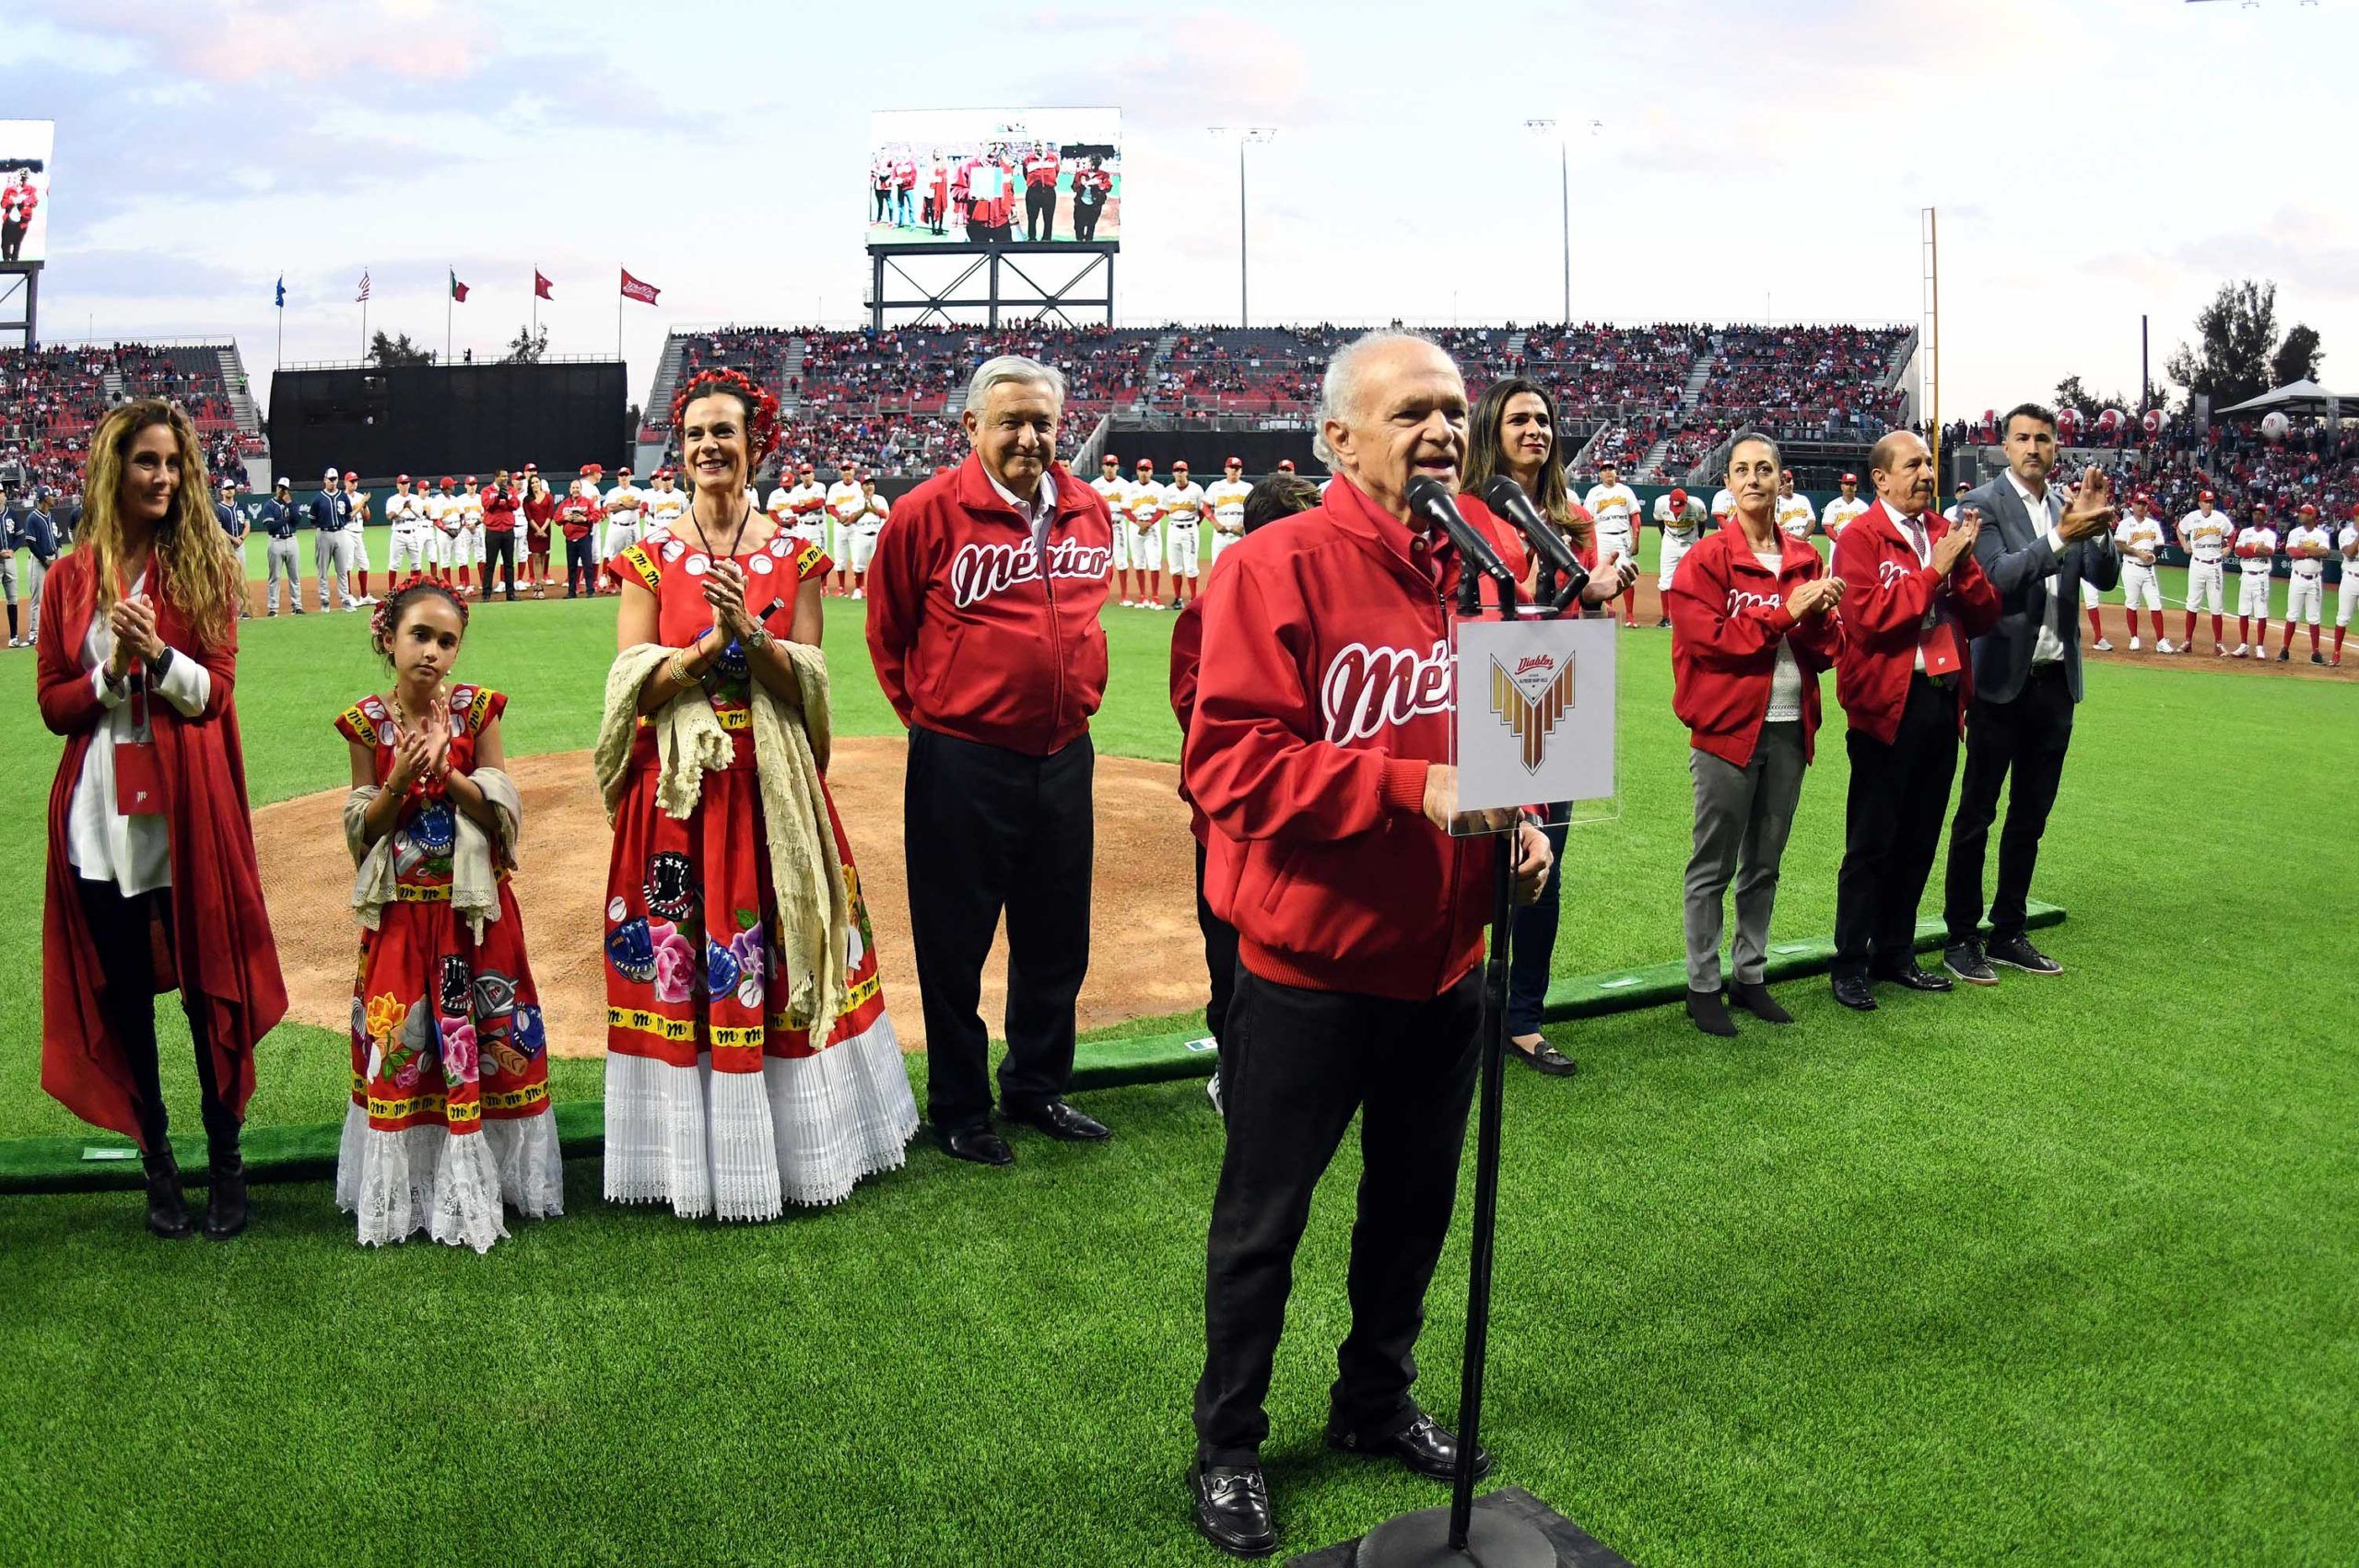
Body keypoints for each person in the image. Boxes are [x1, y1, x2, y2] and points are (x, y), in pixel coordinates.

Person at [1181, 333, 1554, 1558]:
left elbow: (1518, 735)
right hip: (1310, 966)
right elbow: (1228, 760)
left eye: (1453, 409)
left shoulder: (1494, 560)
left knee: (1413, 1205)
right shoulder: (1271, 565)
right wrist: (1413, 787)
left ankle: (1373, 1398)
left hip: (1445, 960)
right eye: (1413, 413)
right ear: (1339, 438)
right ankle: (1229, 1442)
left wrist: (1525, 819)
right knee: (1264, 1221)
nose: (1444, 429)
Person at [598, 366, 918, 1218]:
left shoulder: (797, 556)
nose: (709, 447)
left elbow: (810, 686)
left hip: (772, 792)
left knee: (781, 955)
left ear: (755, 444)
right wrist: (710, 646)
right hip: (680, 799)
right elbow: (634, 685)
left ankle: (799, 1152)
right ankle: (688, 1160)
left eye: (725, 433)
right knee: (685, 957)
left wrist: (752, 635)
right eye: (696, 433)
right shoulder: (646, 558)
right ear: (681, 450)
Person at [36, 398, 287, 1240]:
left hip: (186, 811)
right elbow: (52, 705)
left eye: (175, 464)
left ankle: (226, 1163)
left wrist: (159, 657)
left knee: (205, 982)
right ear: (116, 468)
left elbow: (218, 690)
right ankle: (159, 1169)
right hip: (98, 816)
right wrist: (110, 672)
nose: (164, 478)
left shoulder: (204, 564)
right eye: (148, 461)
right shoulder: (70, 578)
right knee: (127, 1000)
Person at [865, 355, 1116, 1166]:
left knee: (1055, 938)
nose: (1029, 437)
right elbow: (888, 630)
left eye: (1042, 422)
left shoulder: (1089, 511)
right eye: (1010, 421)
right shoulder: (925, 513)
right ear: (971, 426)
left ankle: (1038, 1086)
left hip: (1063, 754)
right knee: (954, 940)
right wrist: (935, 717)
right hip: (963, 759)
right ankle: (961, 1107)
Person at [336, 579, 560, 1249]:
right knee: (404, 1047)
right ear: (388, 639)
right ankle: (412, 1192)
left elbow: (501, 818)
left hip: (474, 919)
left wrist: (451, 775)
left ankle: (489, 1182)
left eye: (446, 640)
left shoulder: (477, 714)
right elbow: (363, 832)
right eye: (419, 636)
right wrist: (403, 778)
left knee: (484, 1042)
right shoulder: (365, 724)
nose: (431, 651)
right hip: (402, 918)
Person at [1462, 374, 1634, 1076]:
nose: (1535, 430)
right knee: (1473, 864)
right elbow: (1478, 606)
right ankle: (1459, 1009)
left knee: (1543, 866)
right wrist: (1572, 588)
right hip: (1488, 693)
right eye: (1518, 420)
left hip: (1560, 697)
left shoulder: (1571, 515)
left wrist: (1596, 598)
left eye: (1543, 419)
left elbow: (1581, 616)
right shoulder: (1467, 510)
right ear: (1491, 432)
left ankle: (1523, 1016)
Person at [1667, 433, 1846, 1036]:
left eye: (1763, 469)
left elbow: (1826, 653)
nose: (1752, 479)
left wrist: (1821, 620)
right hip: (1725, 732)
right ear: (1728, 483)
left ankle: (1750, 975)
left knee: (1764, 864)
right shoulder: (1706, 558)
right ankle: (1702, 985)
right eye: (1741, 469)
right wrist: (1785, 612)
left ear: (1780, 480)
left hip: (1791, 727)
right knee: (1712, 867)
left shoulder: (1804, 556)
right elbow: (1708, 643)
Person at [1938, 404, 2119, 985]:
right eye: (2022, 438)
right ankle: (1962, 936)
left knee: (2031, 814)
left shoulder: (2067, 505)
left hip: (2054, 681)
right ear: (2004, 445)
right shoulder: (1981, 506)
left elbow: (2104, 576)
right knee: (1977, 814)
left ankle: (2010, 928)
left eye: (2043, 438)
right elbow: (1994, 577)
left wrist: (2098, 525)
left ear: (2057, 445)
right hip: (1998, 683)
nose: (2033, 447)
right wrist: (2063, 534)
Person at [1827, 430, 1999, 1012]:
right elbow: (1870, 618)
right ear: (1881, 479)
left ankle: (1895, 952)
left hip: (1940, 700)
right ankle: (1850, 962)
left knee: (1921, 836)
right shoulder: (1858, 538)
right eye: (1914, 465)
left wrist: (1963, 564)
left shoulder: (1941, 534)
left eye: (1930, 464)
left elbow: (1982, 614)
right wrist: (1933, 574)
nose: (1927, 473)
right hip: (1883, 707)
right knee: (1872, 841)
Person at [1169, 473, 1322, 1117]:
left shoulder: (1323, 591)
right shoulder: (1222, 598)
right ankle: (1234, 1075)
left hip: (1308, 809)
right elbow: (1194, 706)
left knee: (1307, 950)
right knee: (1231, 953)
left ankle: (1306, 1072)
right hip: (1234, 819)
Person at [1582, 460, 1642, 626]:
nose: (1608, 472)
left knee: (1627, 574)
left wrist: (1636, 540)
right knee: (1602, 575)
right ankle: (1608, 612)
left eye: (1611, 469)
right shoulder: (1594, 493)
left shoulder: (1625, 491)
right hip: (1601, 536)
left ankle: (1630, 616)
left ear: (1616, 472)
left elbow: (1635, 516)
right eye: (1604, 469)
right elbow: (1587, 520)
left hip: (1623, 536)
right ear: (1600, 474)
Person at [2114, 493, 2173, 652]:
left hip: (2148, 569)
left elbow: (2160, 544)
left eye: (2144, 504)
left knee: (2155, 604)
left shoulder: (2153, 524)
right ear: (2132, 505)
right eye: (2138, 503)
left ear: (2148, 506)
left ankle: (2161, 640)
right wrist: (2137, 552)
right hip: (2131, 567)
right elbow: (2119, 544)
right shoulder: (2126, 524)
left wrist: (2153, 555)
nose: (2141, 506)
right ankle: (2134, 637)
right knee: (2132, 603)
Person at [2177, 488, 2233, 654]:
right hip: (2197, 564)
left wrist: (2229, 546)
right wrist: (2184, 544)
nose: (2209, 504)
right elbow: (2180, 530)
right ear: (2200, 503)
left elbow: (2231, 533)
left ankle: (2218, 643)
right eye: (2206, 502)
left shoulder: (2220, 519)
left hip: (2214, 565)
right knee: (2192, 603)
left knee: (2216, 606)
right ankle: (2187, 641)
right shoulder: (2192, 518)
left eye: (2211, 502)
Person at [2279, 504, 2330, 663]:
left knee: (2314, 617)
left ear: (2311, 516)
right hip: (2298, 578)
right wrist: (2312, 552)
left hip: (2314, 579)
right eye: (2300, 512)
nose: (2300, 515)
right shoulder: (2295, 532)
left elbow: (2325, 552)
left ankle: (2316, 653)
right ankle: (2284, 650)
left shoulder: (2321, 535)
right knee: (2292, 614)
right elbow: (2292, 552)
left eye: (2303, 513)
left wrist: (2304, 551)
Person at [1652, 484, 1707, 626]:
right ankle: (1666, 618)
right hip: (1670, 540)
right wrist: (1665, 538)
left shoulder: (1697, 505)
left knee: (1695, 579)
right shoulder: (1660, 503)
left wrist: (1697, 541)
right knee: (1665, 580)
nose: (1677, 511)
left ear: (1686, 501)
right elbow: (1659, 522)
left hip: (1690, 540)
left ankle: (1694, 616)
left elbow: (1702, 524)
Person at [11, 485, 59, 648]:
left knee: (53, 598)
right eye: (51, 496)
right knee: (37, 598)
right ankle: (34, 633)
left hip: (53, 559)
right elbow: (31, 542)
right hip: (39, 562)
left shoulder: (50, 516)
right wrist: (45, 559)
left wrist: (57, 558)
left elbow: (57, 537)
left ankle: (51, 632)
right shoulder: (33, 517)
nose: (54, 498)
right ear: (45, 498)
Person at [2231, 501, 2278, 659]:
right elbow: (2238, 550)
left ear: (2265, 516)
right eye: (2255, 513)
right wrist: (2257, 550)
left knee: (2261, 612)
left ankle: (2259, 646)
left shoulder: (2270, 534)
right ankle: (2243, 644)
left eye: (2260, 513)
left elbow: (2269, 552)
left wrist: (2251, 548)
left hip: (2261, 577)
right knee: (2243, 611)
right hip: (2246, 575)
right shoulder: (2245, 532)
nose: (2257, 516)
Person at [1091, 452, 1137, 604]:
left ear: (1117, 467)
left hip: (1118, 525)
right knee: (1100, 561)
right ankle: (1099, 596)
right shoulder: (1095, 485)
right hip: (1100, 527)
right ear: (1103, 467)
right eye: (1107, 465)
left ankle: (1124, 596)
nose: (1110, 468)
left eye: (1113, 465)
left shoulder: (1125, 485)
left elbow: (1128, 508)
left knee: (1122, 560)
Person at [1163, 458, 1207, 607]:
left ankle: (1193, 599)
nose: (1179, 473)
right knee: (1174, 566)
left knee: (1191, 567)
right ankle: (1177, 598)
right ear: (1173, 473)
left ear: (1187, 472)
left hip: (1190, 529)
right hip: (1173, 528)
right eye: (1177, 471)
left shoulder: (1196, 489)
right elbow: (1166, 511)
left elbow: (1202, 511)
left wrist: (1195, 524)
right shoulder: (1168, 490)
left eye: (1182, 471)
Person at [1125, 456, 1168, 609]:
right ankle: (1142, 597)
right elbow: (1125, 508)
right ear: (1137, 471)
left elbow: (1162, 509)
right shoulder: (1130, 487)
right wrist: (1138, 523)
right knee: (1138, 562)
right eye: (1141, 470)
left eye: (1147, 470)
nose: (1144, 473)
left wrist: (1149, 523)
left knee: (1154, 562)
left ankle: (1155, 597)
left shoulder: (1158, 488)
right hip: (1135, 525)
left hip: (1152, 526)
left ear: (1151, 471)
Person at [311, 466, 356, 612]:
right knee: (323, 569)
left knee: (342, 569)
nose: (333, 482)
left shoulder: (343, 497)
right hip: (324, 533)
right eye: (330, 479)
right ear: (325, 480)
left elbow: (348, 515)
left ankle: (345, 599)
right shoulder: (318, 498)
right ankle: (324, 600)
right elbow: (313, 520)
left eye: (335, 479)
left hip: (341, 532)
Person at [261, 477, 305, 614]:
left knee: (295, 576)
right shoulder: (269, 505)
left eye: (284, 488)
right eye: (280, 487)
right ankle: (273, 608)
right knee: (274, 576)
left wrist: (290, 504)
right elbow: (270, 527)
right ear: (277, 488)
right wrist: (286, 520)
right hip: (276, 542)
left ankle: (297, 606)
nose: (281, 490)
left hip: (292, 541)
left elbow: (297, 520)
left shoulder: (292, 504)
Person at [601, 466, 644, 593]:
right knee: (612, 555)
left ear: (630, 477)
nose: (624, 477)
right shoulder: (612, 492)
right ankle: (612, 583)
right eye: (622, 475)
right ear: (618, 477)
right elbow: (610, 508)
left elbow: (636, 504)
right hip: (616, 526)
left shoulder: (637, 490)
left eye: (626, 475)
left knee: (634, 555)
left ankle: (633, 583)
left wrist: (620, 505)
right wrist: (628, 505)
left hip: (633, 527)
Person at [825, 460, 865, 594]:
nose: (847, 472)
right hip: (840, 525)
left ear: (853, 471)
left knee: (858, 556)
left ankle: (859, 587)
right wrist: (839, 517)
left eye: (849, 469)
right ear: (841, 472)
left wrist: (852, 517)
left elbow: (863, 506)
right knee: (840, 557)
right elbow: (830, 506)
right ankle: (841, 588)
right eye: (844, 469)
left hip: (855, 525)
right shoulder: (835, 487)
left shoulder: (859, 486)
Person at [1205, 456, 1252, 566]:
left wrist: (1243, 525)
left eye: (1237, 468)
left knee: (1240, 567)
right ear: (1226, 469)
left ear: (1241, 471)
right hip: (1220, 534)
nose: (1234, 470)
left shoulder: (1248, 487)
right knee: (1217, 567)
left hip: (1240, 534)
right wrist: (1215, 523)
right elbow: (1205, 506)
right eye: (1231, 467)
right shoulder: (1216, 486)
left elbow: (1253, 509)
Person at [557, 478, 601, 598]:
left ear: (581, 490)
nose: (575, 490)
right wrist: (565, 518)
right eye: (573, 488)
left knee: (587, 564)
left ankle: (590, 590)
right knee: (572, 566)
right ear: (570, 490)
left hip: (584, 537)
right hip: (570, 539)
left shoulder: (587, 502)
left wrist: (585, 519)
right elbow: (556, 518)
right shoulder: (565, 503)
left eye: (577, 488)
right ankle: (572, 591)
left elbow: (597, 515)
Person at [482, 469, 522, 601]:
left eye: (506, 476)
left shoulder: (511, 490)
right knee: (490, 564)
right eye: (503, 476)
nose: (505, 478)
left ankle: (510, 593)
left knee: (509, 563)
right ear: (496, 477)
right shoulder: (486, 491)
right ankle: (486, 593)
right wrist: (497, 499)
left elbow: (516, 505)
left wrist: (507, 500)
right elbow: (487, 506)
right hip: (493, 531)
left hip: (508, 530)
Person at [849, 471, 888, 597]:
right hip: (861, 533)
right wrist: (864, 510)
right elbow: (852, 518)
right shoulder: (855, 500)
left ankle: (878, 589)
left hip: (876, 533)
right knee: (859, 563)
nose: (870, 486)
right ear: (861, 487)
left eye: (871, 483)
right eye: (866, 484)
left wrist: (872, 508)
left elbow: (885, 514)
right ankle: (859, 588)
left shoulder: (880, 499)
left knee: (879, 563)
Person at [522, 469, 556, 597]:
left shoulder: (548, 497)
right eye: (532, 483)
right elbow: (529, 517)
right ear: (530, 486)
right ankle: (538, 586)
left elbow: (550, 514)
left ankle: (540, 583)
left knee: (543, 556)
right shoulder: (527, 499)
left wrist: (543, 529)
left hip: (546, 531)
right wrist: (538, 530)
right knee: (535, 557)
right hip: (533, 532)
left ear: (540, 483)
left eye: (537, 482)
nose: (535, 485)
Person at [343, 470, 376, 603]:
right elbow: (348, 517)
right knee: (348, 565)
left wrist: (365, 505)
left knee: (364, 564)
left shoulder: (359, 497)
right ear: (346, 482)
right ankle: (348, 595)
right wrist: (361, 504)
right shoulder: (342, 498)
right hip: (347, 532)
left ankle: (364, 596)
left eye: (355, 481)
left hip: (358, 533)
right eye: (351, 481)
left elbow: (367, 517)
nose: (354, 483)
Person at [1023, 140, 1060, 241]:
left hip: (1049, 192)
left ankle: (1047, 239)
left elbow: (1056, 171)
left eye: (1040, 145)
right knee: (1032, 218)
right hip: (1033, 192)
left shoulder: (1053, 158)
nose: (1038, 148)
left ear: (1045, 147)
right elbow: (1025, 174)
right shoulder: (1028, 159)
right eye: (1036, 145)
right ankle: (1032, 238)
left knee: (1048, 218)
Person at [2336, 506, 2359, 667]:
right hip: (2350, 579)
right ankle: (2336, 653)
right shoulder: (2346, 533)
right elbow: (2350, 553)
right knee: (2343, 617)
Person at [1072, 155, 1111, 242]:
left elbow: (1108, 187)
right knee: (1078, 226)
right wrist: (1081, 184)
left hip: (1095, 204)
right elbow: (1074, 188)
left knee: (1091, 226)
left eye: (1089, 162)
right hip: (1080, 203)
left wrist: (1097, 184)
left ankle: (1088, 245)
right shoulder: (1081, 173)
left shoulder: (1104, 175)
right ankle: (1079, 243)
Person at [1820, 472, 1870, 540]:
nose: (1849, 487)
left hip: (1856, 543)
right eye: (1847, 484)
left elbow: (1868, 528)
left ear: (1855, 487)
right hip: (1837, 545)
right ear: (1842, 486)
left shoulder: (1863, 506)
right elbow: (1828, 526)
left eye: (1852, 485)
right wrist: (1837, 539)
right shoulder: (1832, 505)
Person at [1775, 469, 1817, 544]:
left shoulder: (1803, 499)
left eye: (1789, 480)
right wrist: (1793, 538)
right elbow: (1775, 528)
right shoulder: (1775, 502)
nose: (1788, 484)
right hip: (1787, 544)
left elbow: (1812, 521)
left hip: (1805, 543)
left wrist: (1803, 537)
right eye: (1783, 481)